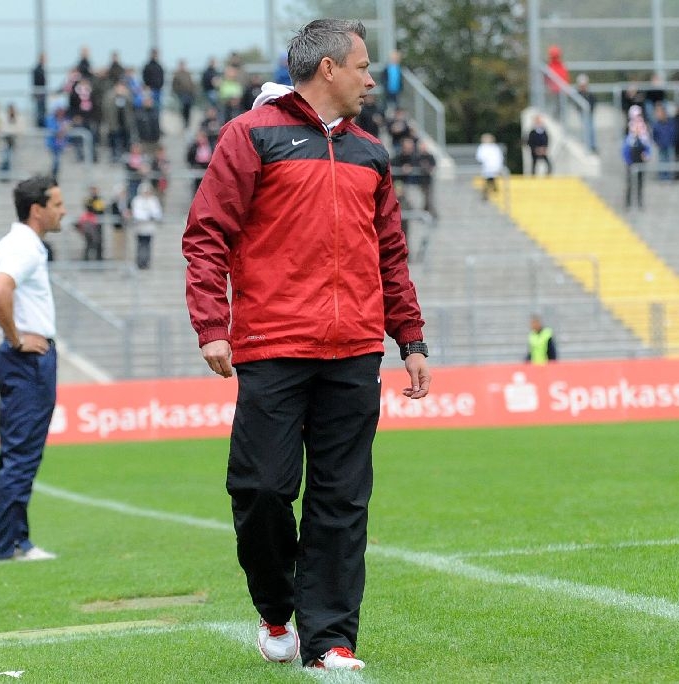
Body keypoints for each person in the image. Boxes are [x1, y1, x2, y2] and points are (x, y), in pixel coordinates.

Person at [182, 19, 431, 672]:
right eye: (363, 67)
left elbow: (391, 253)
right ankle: (275, 609)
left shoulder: (371, 153)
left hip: (354, 351)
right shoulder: (250, 136)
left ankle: (330, 641)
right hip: (272, 345)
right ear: (329, 69)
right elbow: (206, 234)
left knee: (341, 502)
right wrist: (211, 324)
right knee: (262, 489)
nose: (371, 81)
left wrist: (410, 337)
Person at [0, 175, 65, 562]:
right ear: (37, 210)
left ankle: (14, 540)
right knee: (22, 456)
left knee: (17, 454)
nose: (63, 211)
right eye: (57, 204)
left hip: (22, 359)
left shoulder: (17, 243)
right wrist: (16, 339)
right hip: (27, 360)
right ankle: (8, 545)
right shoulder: (24, 246)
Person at [622, 117, 651, 208]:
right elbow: (625, 152)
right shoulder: (629, 140)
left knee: (640, 185)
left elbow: (647, 151)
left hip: (640, 165)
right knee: (630, 185)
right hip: (631, 165)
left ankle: (639, 203)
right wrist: (629, 162)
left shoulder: (643, 140)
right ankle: (628, 203)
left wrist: (646, 156)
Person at [131, 182, 162, 269]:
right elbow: (137, 214)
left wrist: (150, 215)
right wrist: (148, 216)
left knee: (148, 245)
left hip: (149, 228)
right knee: (140, 245)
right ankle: (140, 262)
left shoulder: (153, 200)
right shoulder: (137, 200)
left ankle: (146, 262)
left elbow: (157, 213)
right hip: (140, 228)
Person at [476, 132, 504, 200]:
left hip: (493, 167)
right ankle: (488, 193)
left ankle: (491, 192)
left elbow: (499, 158)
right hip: (486, 168)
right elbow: (480, 158)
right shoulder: (482, 147)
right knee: (487, 180)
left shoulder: (495, 148)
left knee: (491, 179)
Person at [172, 59, 197, 130]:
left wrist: (193, 92)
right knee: (183, 108)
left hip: (189, 94)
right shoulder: (177, 75)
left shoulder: (188, 74)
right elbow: (174, 85)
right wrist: (178, 92)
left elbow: (192, 83)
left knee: (188, 108)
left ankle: (187, 123)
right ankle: (184, 122)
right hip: (182, 94)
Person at [575, 73, 597, 153]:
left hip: (589, 114)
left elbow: (593, 103)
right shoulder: (578, 94)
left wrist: (590, 110)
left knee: (591, 129)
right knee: (586, 129)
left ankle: (592, 146)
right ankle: (587, 145)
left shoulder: (589, 94)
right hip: (582, 115)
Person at [0, 103, 21, 179]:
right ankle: (3, 177)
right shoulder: (4, 119)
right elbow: (1, 129)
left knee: (11, 159)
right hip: (5, 141)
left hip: (13, 141)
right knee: (5, 159)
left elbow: (18, 130)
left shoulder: (18, 119)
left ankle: (9, 176)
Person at [381, 49, 403, 114]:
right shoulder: (387, 68)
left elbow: (400, 79)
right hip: (388, 89)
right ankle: (385, 114)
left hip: (396, 90)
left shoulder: (398, 68)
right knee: (386, 103)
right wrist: (385, 85)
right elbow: (383, 77)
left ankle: (395, 114)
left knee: (396, 104)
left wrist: (401, 87)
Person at [32, 53, 48, 128]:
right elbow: (36, 82)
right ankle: (40, 124)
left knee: (42, 109)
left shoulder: (41, 69)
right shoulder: (37, 69)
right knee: (40, 109)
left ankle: (42, 124)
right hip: (39, 92)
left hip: (42, 92)